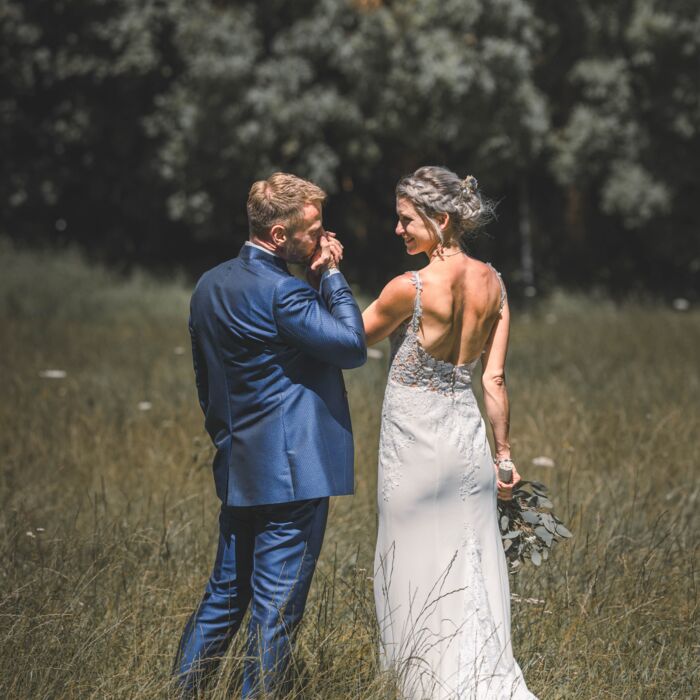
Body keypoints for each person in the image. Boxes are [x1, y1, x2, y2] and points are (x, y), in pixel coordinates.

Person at [174, 172, 366, 696]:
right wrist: (330, 276)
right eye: (314, 231)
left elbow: (203, 379)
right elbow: (352, 345)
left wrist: (225, 437)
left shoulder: (209, 284)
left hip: (239, 466)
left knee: (224, 598)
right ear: (279, 236)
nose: (323, 239)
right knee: (275, 613)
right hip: (293, 475)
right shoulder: (286, 292)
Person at [363, 166, 537, 699]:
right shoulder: (496, 284)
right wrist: (503, 456)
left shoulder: (407, 288)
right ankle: (475, 676)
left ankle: (424, 684)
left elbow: (346, 342)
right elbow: (494, 379)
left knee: (412, 556)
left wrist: (324, 279)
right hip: (466, 439)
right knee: (467, 557)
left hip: (413, 440)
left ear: (440, 220)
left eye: (406, 221)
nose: (398, 231)